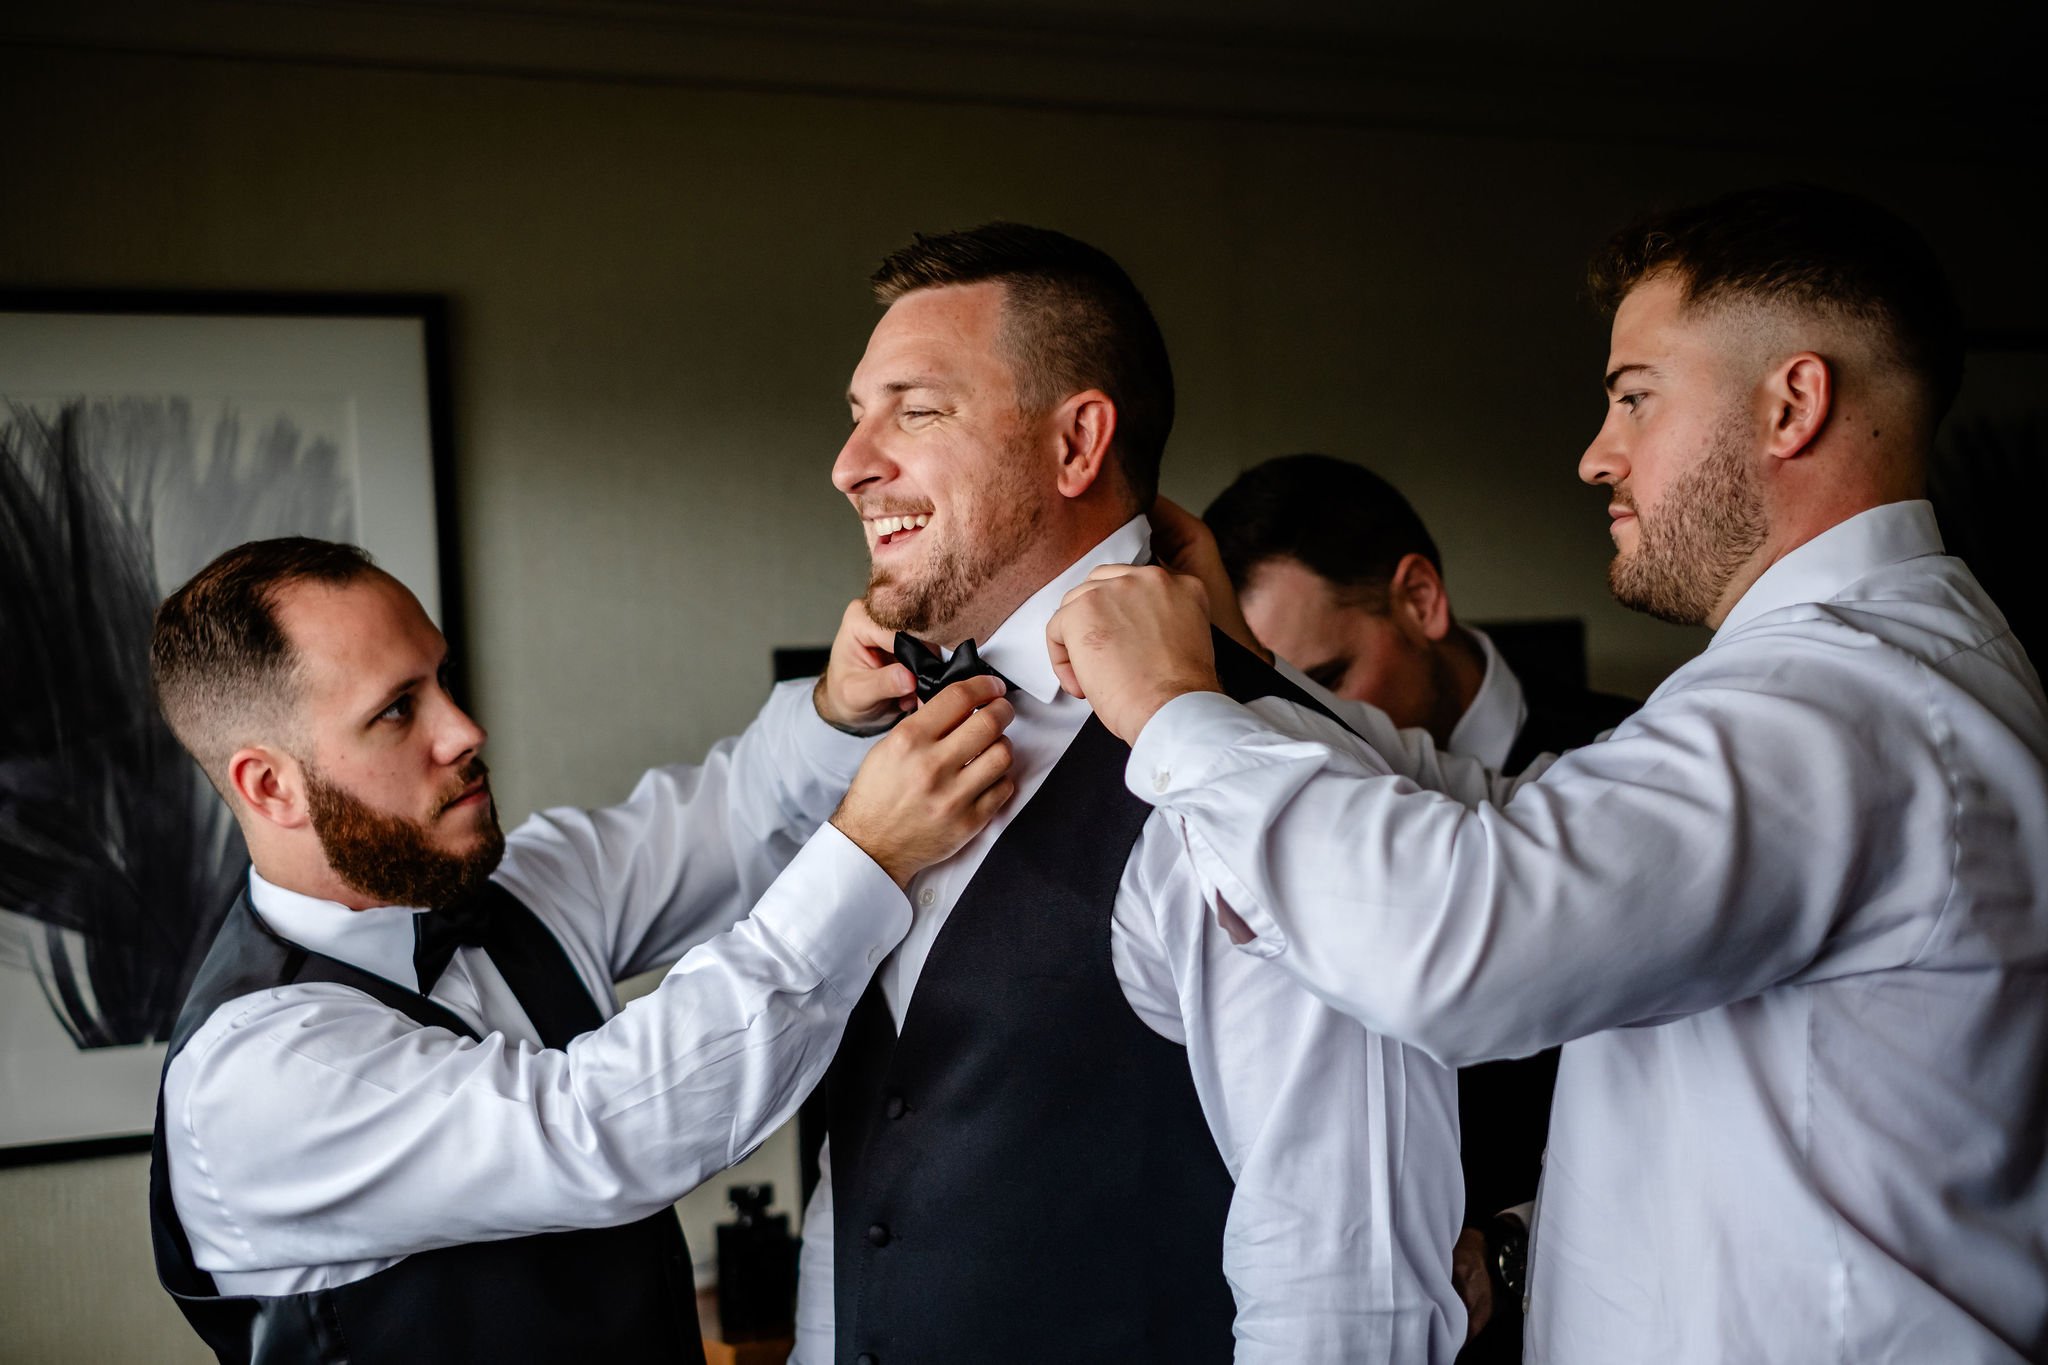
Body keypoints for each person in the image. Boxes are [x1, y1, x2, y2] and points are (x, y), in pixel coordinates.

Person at [1047, 184, 2048, 1363]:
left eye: (1633, 399)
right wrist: (1237, 672)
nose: (1592, 455)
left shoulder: (1835, 708)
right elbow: (1500, 820)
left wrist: (1172, 712)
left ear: (1791, 404)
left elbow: (1456, 935)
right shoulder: (1865, 674)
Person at [789, 223, 1464, 1365]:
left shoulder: (1258, 777)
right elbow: (865, 1193)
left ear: (1076, 443)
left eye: (913, 411)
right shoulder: (904, 751)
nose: (850, 463)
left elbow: (1343, 1285)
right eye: (855, 414)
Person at [147, 536, 1016, 1364]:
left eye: (442, 678)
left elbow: (734, 815)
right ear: (271, 785)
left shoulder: (514, 890)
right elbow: (602, 1127)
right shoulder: (251, 1077)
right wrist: (869, 854)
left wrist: (834, 711)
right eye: (398, 710)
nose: (464, 729)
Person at [1205, 453, 1635, 1359]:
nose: (1307, 733)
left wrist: (1513, 1245)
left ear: (1421, 599)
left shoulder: (1638, 759)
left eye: (1325, 683)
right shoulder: (1239, 798)